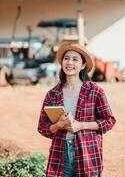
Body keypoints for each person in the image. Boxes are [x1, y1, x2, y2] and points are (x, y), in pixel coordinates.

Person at [38, 43, 116, 177]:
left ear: (83, 65)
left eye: (75, 59)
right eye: (66, 58)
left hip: (88, 153)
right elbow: (42, 127)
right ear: (62, 62)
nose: (69, 63)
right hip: (60, 155)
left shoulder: (94, 91)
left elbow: (109, 121)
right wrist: (58, 125)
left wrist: (81, 125)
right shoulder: (52, 94)